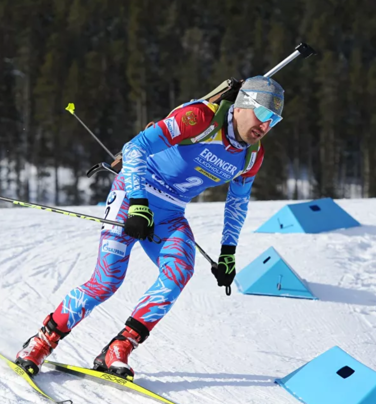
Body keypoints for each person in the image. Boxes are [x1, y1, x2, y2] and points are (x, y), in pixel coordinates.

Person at [14, 76, 284, 380]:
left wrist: (228, 253)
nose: (266, 126)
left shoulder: (251, 156)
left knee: (179, 270)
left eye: (274, 120)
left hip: (170, 213)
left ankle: (120, 347)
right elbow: (134, 148)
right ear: (240, 107)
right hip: (133, 196)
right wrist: (140, 203)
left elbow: (237, 204)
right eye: (263, 115)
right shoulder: (200, 118)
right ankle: (42, 341)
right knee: (107, 281)